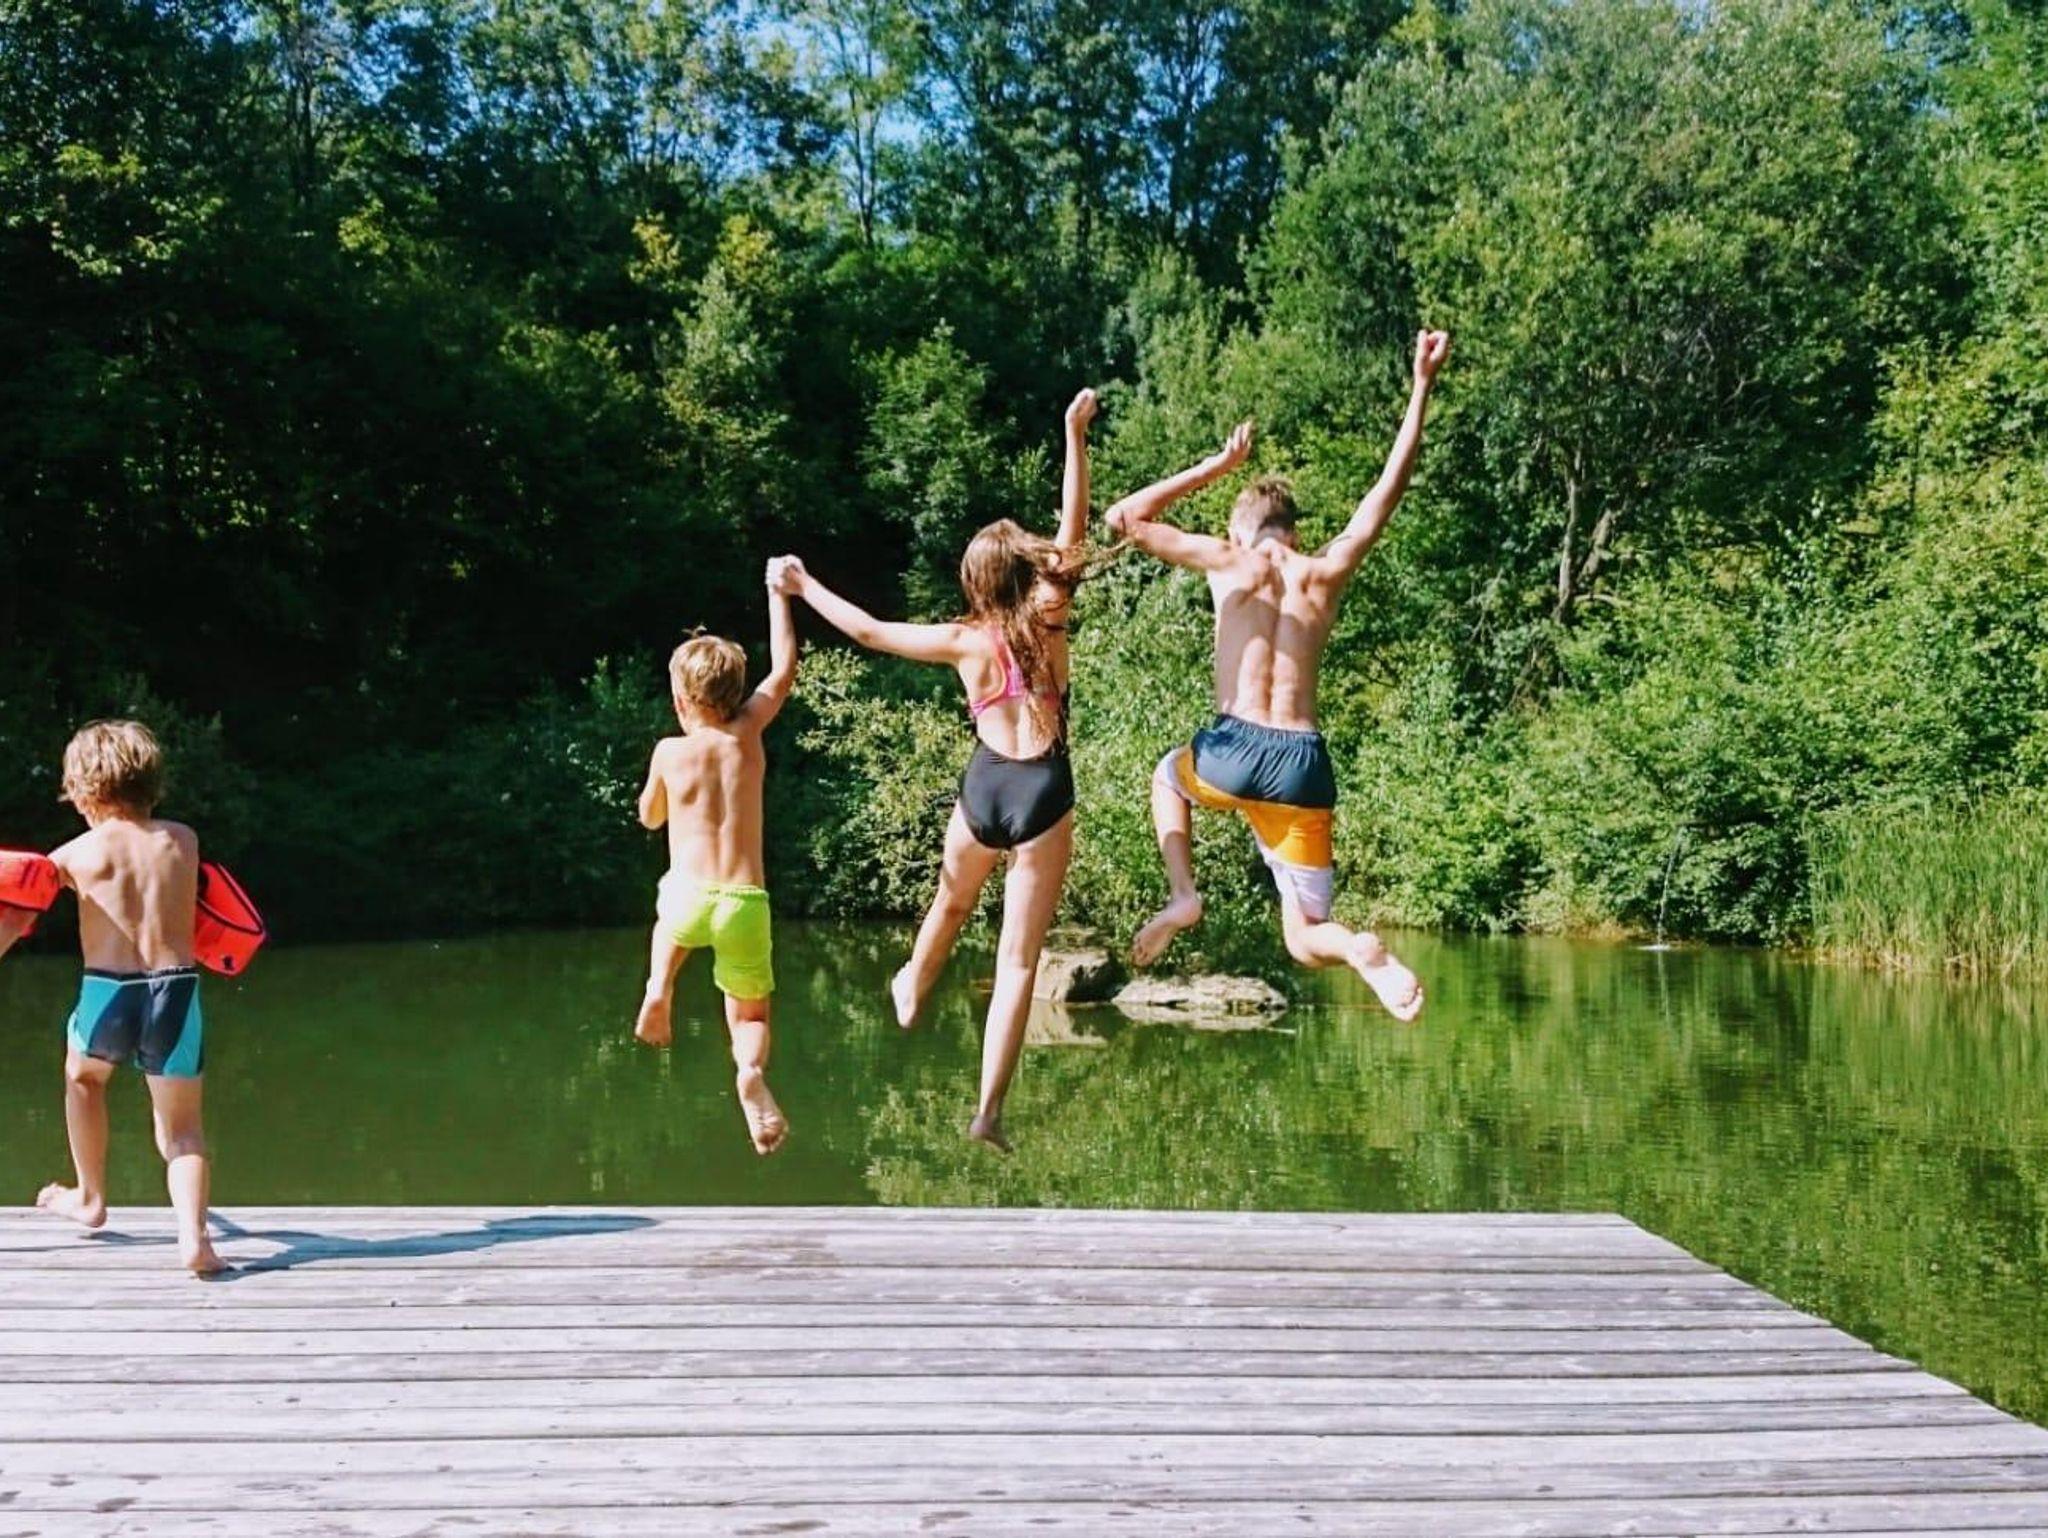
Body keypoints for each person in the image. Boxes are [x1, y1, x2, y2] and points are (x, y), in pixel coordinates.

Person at [775, 388, 1099, 1152]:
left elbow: (868, 631)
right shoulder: (1051, 617)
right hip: (1043, 790)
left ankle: (912, 981)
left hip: (986, 785)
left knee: (951, 904)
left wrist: (802, 584)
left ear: (977, 583)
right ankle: (988, 1111)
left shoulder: (963, 641)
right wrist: (1073, 435)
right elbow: (1073, 531)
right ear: (1025, 573)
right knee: (1017, 964)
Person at [1106, 329, 1452, 1022]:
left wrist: (1214, 465)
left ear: (1238, 533)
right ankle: (1357, 950)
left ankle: (1183, 895)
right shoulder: (1325, 571)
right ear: (1293, 534)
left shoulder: (1228, 561)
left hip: (1232, 751)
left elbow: (1124, 518)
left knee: (1168, 776)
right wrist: (1421, 385)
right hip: (1301, 765)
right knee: (1305, 938)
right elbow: (1387, 490)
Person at [0, 720, 227, 1274]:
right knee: (182, 1131)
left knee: (84, 1078)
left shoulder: (73, 855)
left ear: (81, 790)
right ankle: (194, 1238)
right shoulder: (183, 840)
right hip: (175, 990)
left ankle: (90, 1196)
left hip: (109, 992)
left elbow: (18, 916)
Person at [633, 562, 799, 1155]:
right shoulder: (747, 733)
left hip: (689, 898)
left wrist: (661, 800)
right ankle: (749, 1074)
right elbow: (784, 669)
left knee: (668, 908)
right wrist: (778, 594)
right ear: (734, 694)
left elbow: (650, 816)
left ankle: (659, 987)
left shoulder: (669, 752)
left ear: (681, 699)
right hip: (744, 903)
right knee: (750, 1018)